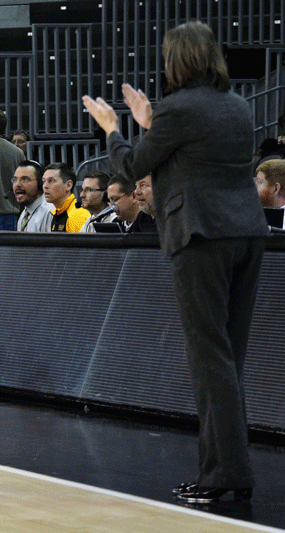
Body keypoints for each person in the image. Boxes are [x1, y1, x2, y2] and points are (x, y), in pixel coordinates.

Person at [83, 20, 269, 504]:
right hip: (247, 233)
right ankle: (221, 470)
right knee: (228, 359)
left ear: (175, 60)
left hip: (200, 236)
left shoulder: (177, 108)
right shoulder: (237, 106)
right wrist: (151, 125)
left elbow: (129, 168)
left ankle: (227, 473)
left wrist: (114, 129)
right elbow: (194, 156)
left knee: (210, 361)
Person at [42, 162, 89, 232]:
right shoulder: (56, 213)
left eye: (51, 181)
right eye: (43, 181)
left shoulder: (77, 216)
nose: (45, 186)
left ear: (68, 185)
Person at [13, 160, 53, 232]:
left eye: (25, 179)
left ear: (40, 184)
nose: (17, 184)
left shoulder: (49, 212)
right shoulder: (24, 214)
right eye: (15, 179)